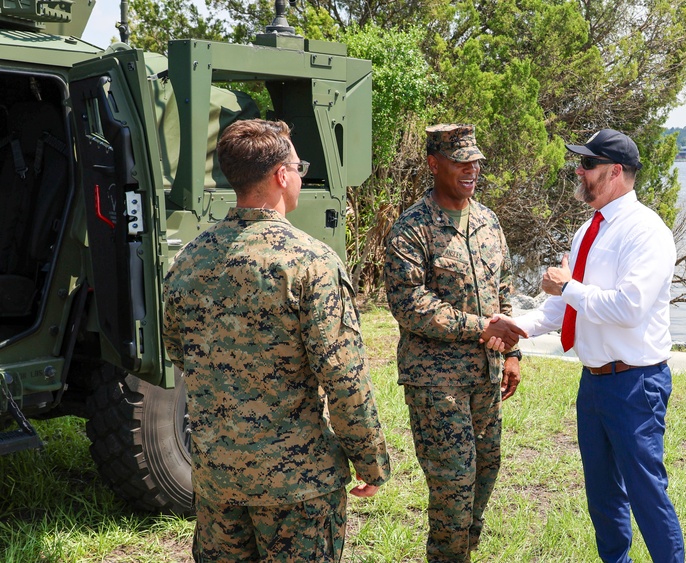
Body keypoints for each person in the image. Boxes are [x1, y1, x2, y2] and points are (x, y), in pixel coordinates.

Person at [162, 119, 390, 562]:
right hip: (296, 487)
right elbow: (344, 376)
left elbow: (179, 349)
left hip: (217, 479)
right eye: (299, 166)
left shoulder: (190, 257)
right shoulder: (311, 260)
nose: (301, 176)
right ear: (281, 176)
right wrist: (371, 459)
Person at [490, 128, 684, 562]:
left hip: (636, 383)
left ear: (615, 172)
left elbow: (628, 307)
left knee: (647, 495)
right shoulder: (587, 232)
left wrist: (568, 286)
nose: (579, 170)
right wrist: (518, 325)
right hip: (594, 383)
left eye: (588, 164)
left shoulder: (646, 232)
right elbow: (566, 310)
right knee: (603, 498)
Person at [383, 123, 527, 562]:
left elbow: (503, 286)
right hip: (436, 383)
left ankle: (465, 553)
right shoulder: (412, 228)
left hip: (486, 376)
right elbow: (409, 303)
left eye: (475, 162)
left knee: (485, 472)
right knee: (453, 486)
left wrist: (514, 351)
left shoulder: (487, 220)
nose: (471, 170)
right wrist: (479, 328)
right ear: (434, 164)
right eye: (460, 161)